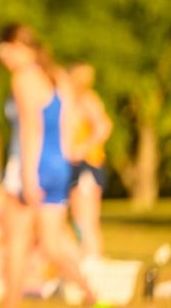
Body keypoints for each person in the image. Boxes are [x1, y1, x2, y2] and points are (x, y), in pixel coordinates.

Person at [0, 23, 94, 308]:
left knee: (15, 244)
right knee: (51, 244)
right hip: (58, 167)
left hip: (31, 166)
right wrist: (66, 158)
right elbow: (69, 124)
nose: (2, 58)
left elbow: (31, 130)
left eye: (3, 50)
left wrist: (27, 177)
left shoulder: (24, 77)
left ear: (15, 46)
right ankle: (92, 297)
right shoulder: (57, 75)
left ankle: (10, 304)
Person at [66, 62, 111, 260]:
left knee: (86, 217)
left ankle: (93, 258)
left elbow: (103, 126)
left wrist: (81, 149)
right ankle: (84, 257)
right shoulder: (72, 101)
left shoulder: (87, 99)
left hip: (88, 165)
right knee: (78, 215)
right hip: (76, 165)